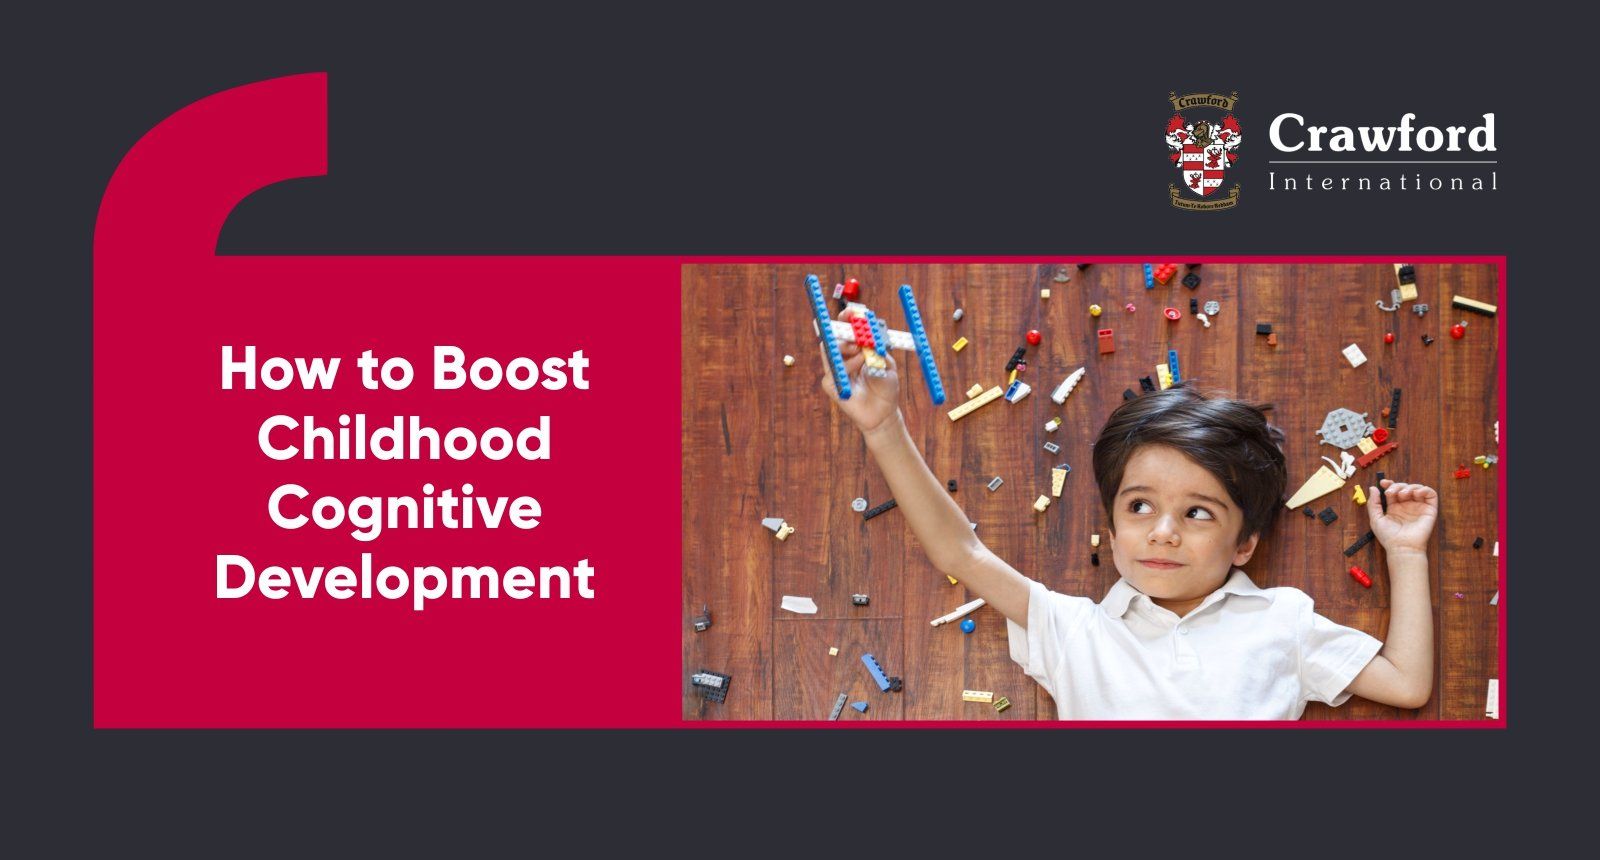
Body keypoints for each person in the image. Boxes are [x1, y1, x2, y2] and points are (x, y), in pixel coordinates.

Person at [817, 332, 1437, 719]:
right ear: (1112, 533)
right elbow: (962, 553)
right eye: (1139, 507)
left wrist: (1406, 554)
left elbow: (1407, 685)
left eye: (1198, 513)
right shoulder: (1071, 629)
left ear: (1245, 543)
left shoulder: (1283, 622)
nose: (1163, 531)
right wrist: (882, 426)